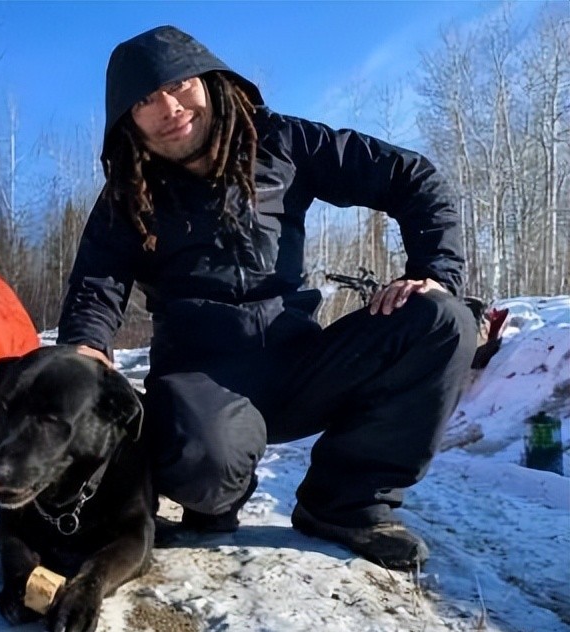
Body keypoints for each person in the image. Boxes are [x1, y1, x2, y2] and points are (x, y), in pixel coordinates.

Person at [55, 25, 477, 569]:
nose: (169, 107)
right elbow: (97, 281)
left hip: (298, 360)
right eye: (144, 99)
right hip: (201, 376)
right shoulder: (129, 192)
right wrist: (86, 347)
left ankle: (344, 504)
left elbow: (413, 177)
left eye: (179, 84)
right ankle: (217, 492)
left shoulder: (280, 141)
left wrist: (434, 272)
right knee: (202, 471)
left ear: (208, 80)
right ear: (127, 120)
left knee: (440, 319)